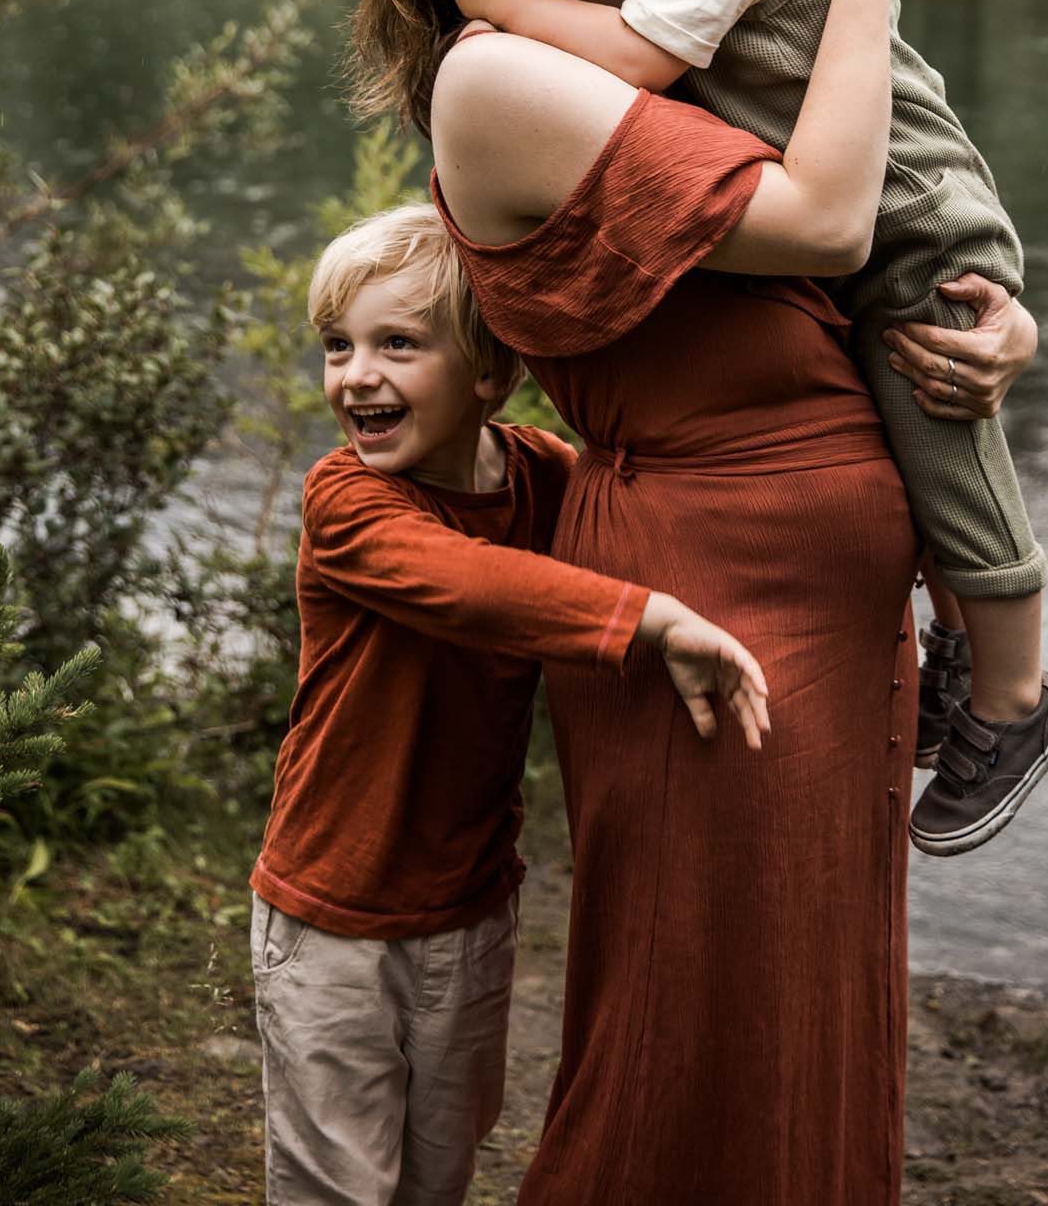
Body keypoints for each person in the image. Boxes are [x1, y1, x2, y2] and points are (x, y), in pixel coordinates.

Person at [351, 0, 1026, 1205]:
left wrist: (997, 319)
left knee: (804, 1027)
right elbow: (825, 223)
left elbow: (886, 233)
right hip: (710, 602)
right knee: (689, 1035)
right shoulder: (497, 80)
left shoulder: (693, 30)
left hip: (834, 606)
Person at [445, 0, 1048, 858]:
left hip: (911, 225)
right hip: (741, 556)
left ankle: (1011, 695)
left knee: (951, 448)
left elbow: (653, 67)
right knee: (933, 430)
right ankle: (972, 661)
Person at [250, 202, 769, 1206]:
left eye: (398, 344)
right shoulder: (346, 501)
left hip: (470, 908)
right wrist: (651, 618)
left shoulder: (540, 473)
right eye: (338, 345)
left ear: (490, 372)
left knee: (437, 1172)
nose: (356, 374)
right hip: (331, 911)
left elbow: (646, 520)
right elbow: (472, 584)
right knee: (337, 1185)